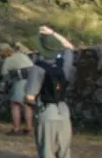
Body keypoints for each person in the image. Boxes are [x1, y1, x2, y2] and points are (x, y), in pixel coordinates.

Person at [24, 25, 76, 158]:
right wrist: (53, 33)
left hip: (46, 112)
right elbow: (69, 47)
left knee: (47, 152)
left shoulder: (37, 69)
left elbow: (30, 96)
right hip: (63, 111)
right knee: (64, 152)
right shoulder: (63, 64)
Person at [0, 42, 34, 135]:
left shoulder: (8, 60)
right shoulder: (21, 55)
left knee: (15, 104)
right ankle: (29, 127)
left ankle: (16, 128)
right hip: (32, 80)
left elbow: (4, 76)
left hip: (20, 81)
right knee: (27, 104)